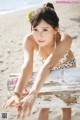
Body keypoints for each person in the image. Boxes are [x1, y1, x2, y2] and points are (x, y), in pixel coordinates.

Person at [3, 2, 76, 120]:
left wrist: (33, 92)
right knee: (44, 106)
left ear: (55, 29)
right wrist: (17, 93)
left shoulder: (65, 39)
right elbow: (27, 65)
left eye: (45, 30)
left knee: (65, 105)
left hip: (65, 68)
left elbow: (49, 64)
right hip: (46, 70)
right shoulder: (29, 40)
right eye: (35, 29)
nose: (39, 35)